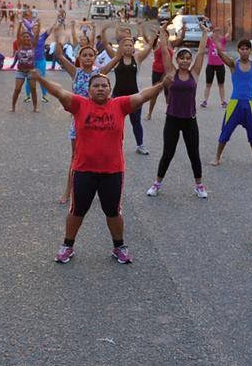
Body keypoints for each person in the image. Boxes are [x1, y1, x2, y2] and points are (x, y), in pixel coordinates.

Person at [32, 69, 168, 264]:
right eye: (96, 86)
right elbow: (59, 92)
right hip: (83, 170)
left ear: (110, 90)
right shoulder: (79, 104)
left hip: (113, 171)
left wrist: (162, 85)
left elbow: (143, 96)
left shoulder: (119, 105)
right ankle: (67, 246)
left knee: (113, 211)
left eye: (104, 86)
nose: (100, 89)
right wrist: (40, 79)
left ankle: (119, 246)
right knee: (77, 210)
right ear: (88, 91)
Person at [146, 29, 209, 199]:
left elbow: (202, 52)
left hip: (190, 120)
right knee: (168, 153)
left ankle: (199, 185)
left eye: (188, 58)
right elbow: (165, 51)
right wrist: (161, 33)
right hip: (172, 119)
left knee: (194, 154)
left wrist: (205, 34)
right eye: (182, 58)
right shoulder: (171, 72)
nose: (185, 61)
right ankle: (157, 184)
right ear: (177, 59)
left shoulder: (194, 74)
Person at [53, 41, 116, 204]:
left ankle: (100, 189)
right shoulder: (76, 72)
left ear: (95, 57)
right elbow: (59, 56)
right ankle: (69, 191)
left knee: (99, 155)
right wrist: (59, 38)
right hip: (79, 122)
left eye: (91, 55)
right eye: (84, 55)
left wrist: (122, 48)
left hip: (98, 122)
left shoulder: (99, 73)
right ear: (79, 58)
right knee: (75, 157)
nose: (88, 58)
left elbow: (116, 60)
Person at [210, 31, 252, 166]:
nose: (245, 51)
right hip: (235, 104)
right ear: (238, 50)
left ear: (251, 50)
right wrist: (215, 40)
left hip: (249, 104)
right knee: (226, 131)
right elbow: (220, 53)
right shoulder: (233, 64)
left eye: (247, 48)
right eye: (242, 49)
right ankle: (217, 157)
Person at [101, 30, 153, 155]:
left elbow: (150, 46)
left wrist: (153, 33)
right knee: (115, 123)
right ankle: (113, 145)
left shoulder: (137, 58)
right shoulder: (116, 57)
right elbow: (105, 44)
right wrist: (104, 31)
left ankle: (140, 145)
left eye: (130, 45)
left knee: (136, 122)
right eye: (126, 45)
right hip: (117, 96)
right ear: (121, 47)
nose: (129, 47)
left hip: (134, 96)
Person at [146, 22, 185, 120]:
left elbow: (181, 39)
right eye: (163, 34)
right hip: (157, 71)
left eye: (166, 35)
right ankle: (149, 113)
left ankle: (170, 113)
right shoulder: (157, 44)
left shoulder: (171, 44)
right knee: (155, 92)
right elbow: (147, 41)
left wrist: (184, 30)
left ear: (168, 36)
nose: (165, 36)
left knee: (169, 93)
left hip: (167, 72)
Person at [23, 21, 56, 103]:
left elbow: (51, 28)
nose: (36, 29)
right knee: (29, 79)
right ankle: (28, 96)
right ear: (32, 29)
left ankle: (44, 96)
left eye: (37, 28)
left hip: (41, 60)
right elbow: (22, 30)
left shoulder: (43, 36)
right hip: (31, 62)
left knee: (42, 79)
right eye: (34, 28)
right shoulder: (29, 37)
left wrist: (56, 20)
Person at [201, 21, 230, 109]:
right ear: (212, 34)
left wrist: (229, 25)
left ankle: (223, 101)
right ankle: (205, 100)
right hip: (210, 65)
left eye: (218, 33)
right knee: (208, 84)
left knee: (221, 84)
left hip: (220, 65)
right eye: (215, 32)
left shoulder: (222, 41)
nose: (217, 35)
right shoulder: (210, 41)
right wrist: (203, 27)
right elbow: (204, 35)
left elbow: (229, 34)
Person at [11, 27, 40, 112]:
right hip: (20, 71)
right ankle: (13, 107)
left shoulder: (33, 46)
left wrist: (39, 25)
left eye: (28, 36)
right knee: (17, 89)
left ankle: (35, 107)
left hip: (31, 71)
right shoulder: (19, 45)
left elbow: (37, 36)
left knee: (33, 89)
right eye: (25, 36)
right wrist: (19, 25)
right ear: (22, 38)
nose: (26, 38)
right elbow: (17, 35)